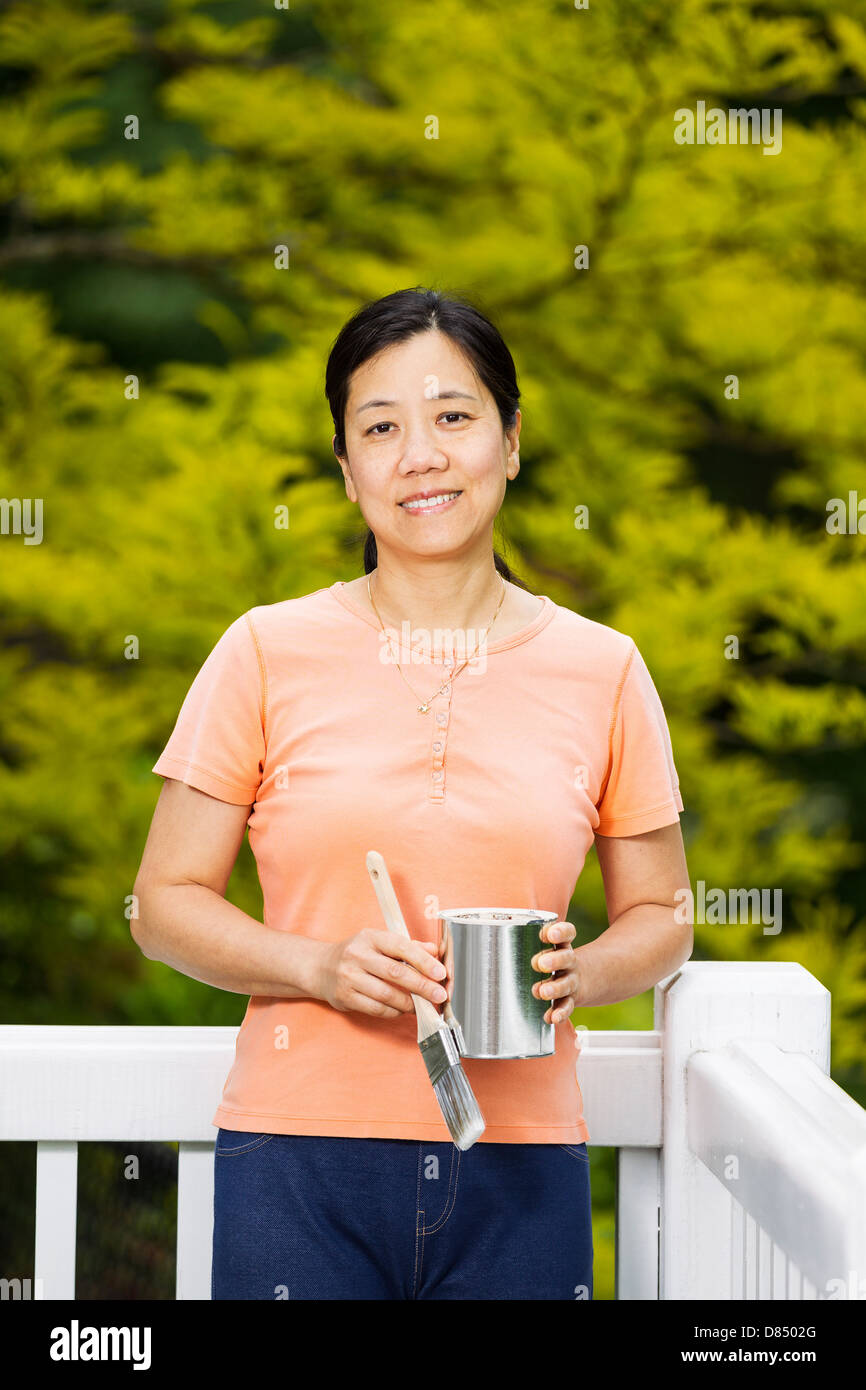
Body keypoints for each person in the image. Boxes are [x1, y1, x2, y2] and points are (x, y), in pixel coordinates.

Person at [132, 286, 692, 1301]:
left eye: (453, 416)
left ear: (510, 442)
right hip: (296, 1160)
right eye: (380, 427)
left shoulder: (604, 668)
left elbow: (662, 915)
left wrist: (586, 972)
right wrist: (317, 963)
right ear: (347, 471)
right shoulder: (262, 651)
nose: (419, 455)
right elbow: (163, 904)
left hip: (522, 1160)